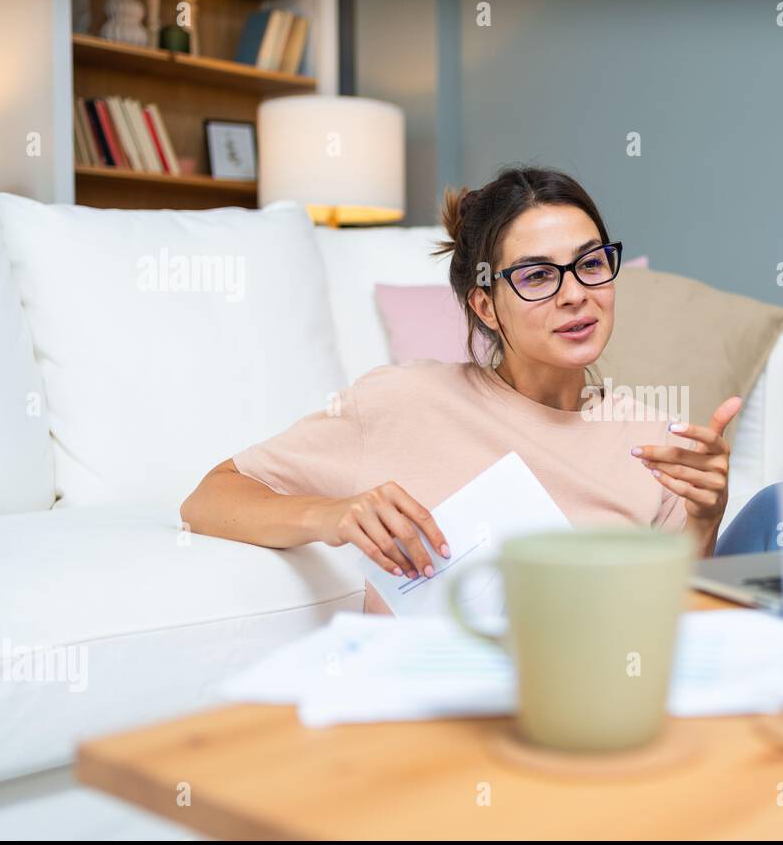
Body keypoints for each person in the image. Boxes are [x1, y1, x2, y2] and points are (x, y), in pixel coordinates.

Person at [181, 164, 743, 613]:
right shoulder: (401, 400)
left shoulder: (655, 440)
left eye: (590, 263)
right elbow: (208, 499)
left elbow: (675, 623)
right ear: (485, 306)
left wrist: (706, 515)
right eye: (537, 275)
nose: (575, 294)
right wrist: (331, 516)